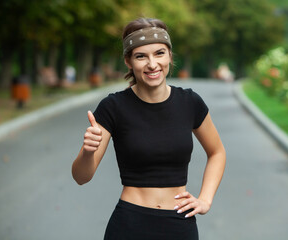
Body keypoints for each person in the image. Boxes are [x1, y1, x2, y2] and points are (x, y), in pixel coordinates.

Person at [72, 18, 226, 240]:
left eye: (159, 53)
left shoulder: (190, 103)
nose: (152, 64)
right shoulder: (113, 107)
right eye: (141, 56)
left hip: (179, 225)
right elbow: (81, 177)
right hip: (129, 225)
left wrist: (205, 199)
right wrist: (88, 150)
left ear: (170, 56)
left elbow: (217, 152)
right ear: (128, 61)